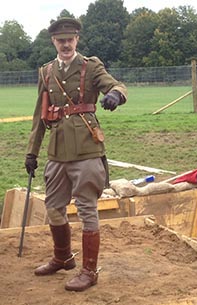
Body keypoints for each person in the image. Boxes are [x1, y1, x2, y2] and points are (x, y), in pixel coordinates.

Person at [24, 17, 127, 292]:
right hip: (57, 152)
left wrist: (115, 96)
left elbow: (116, 85)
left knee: (86, 209)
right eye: (61, 40)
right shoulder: (46, 72)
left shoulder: (90, 66)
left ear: (77, 40)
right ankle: (63, 257)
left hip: (86, 149)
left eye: (70, 39)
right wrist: (32, 152)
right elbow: (39, 115)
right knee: (53, 207)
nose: (66, 44)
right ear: (53, 42)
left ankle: (89, 271)